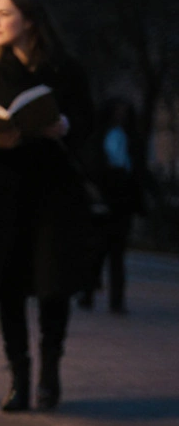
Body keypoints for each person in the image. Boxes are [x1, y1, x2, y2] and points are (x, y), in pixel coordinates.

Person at [0, 0, 96, 413]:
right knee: (9, 286)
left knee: (53, 285)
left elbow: (87, 127)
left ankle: (49, 374)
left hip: (53, 192)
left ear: (29, 20)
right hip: (4, 191)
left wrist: (65, 128)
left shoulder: (66, 69)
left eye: (3, 13)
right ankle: (19, 376)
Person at [78, 98, 149, 314]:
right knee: (98, 250)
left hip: (122, 200)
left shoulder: (131, 138)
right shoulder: (98, 138)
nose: (121, 116)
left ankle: (116, 301)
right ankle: (88, 293)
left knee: (117, 253)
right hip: (104, 198)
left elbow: (138, 168)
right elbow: (91, 166)